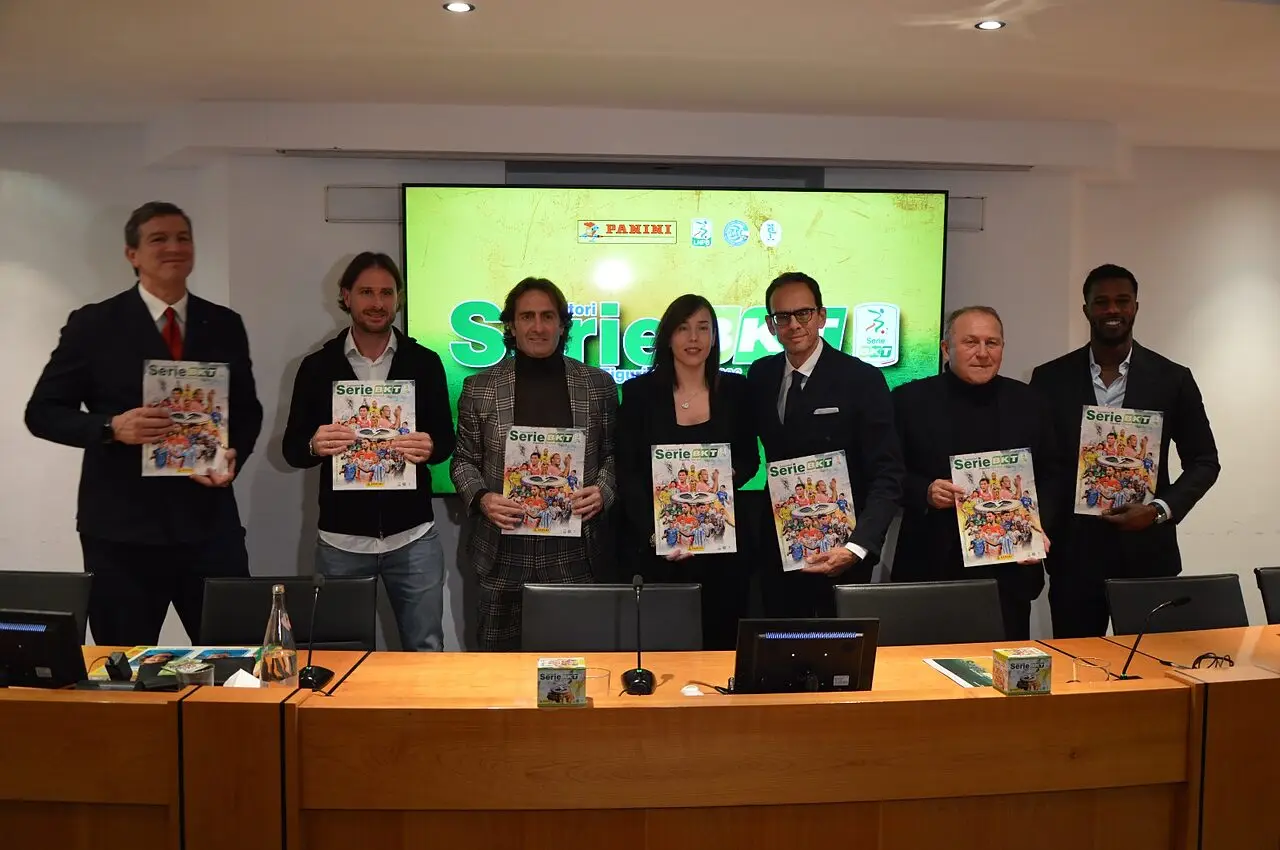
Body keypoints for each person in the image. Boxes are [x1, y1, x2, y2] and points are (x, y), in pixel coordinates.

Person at [25, 201, 263, 645]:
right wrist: (111, 427)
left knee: (236, 661)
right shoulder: (93, 324)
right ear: (132, 254)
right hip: (121, 535)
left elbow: (248, 410)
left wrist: (234, 456)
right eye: (159, 239)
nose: (174, 247)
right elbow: (42, 413)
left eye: (183, 238)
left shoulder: (224, 323)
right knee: (124, 668)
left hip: (209, 526)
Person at [1031, 264, 1220, 637]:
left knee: (1151, 664)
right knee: (1077, 665)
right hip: (1074, 557)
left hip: (1148, 552)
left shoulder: (1173, 378)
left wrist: (1158, 510)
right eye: (1101, 302)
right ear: (1086, 309)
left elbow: (1204, 461)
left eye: (1122, 301)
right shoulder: (1049, 379)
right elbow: (1040, 463)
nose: (1112, 309)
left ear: (1136, 306)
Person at [281, 252, 455, 651]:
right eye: (366, 292)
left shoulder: (425, 362)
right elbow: (292, 449)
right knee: (339, 654)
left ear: (398, 298)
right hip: (341, 541)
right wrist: (314, 444)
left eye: (386, 293)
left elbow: (446, 441)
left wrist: (430, 446)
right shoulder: (316, 366)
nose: (377, 303)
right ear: (346, 296)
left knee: (425, 649)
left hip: (413, 536)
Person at [450, 277, 617, 650]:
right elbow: (463, 460)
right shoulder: (479, 387)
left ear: (563, 324)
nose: (537, 326)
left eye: (547, 316)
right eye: (527, 316)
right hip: (502, 551)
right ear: (511, 325)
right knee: (498, 672)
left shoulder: (597, 384)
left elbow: (613, 454)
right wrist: (482, 499)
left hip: (576, 554)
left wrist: (603, 491)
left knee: (575, 669)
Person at [890, 307, 1060, 639]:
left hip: (1009, 568)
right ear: (945, 348)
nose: (982, 353)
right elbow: (887, 474)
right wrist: (924, 491)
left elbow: (1053, 473)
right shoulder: (908, 401)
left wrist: (1040, 530)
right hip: (930, 565)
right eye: (970, 342)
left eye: (991, 343)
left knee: (1003, 666)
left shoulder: (1030, 402)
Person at [746, 272, 905, 617]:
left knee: (841, 647)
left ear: (821, 316)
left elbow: (888, 472)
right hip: (779, 547)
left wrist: (858, 546)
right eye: (782, 316)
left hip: (843, 550)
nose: (793, 324)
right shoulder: (760, 375)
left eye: (803, 313)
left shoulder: (862, 378)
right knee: (779, 643)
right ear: (770, 325)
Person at [615, 294, 760, 650]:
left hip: (722, 543)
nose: (693, 338)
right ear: (668, 337)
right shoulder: (639, 393)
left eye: (703, 328)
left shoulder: (738, 390)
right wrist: (656, 535)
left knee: (722, 644)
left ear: (714, 337)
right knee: (663, 648)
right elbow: (628, 473)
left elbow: (749, 460)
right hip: (660, 549)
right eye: (683, 328)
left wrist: (719, 485)